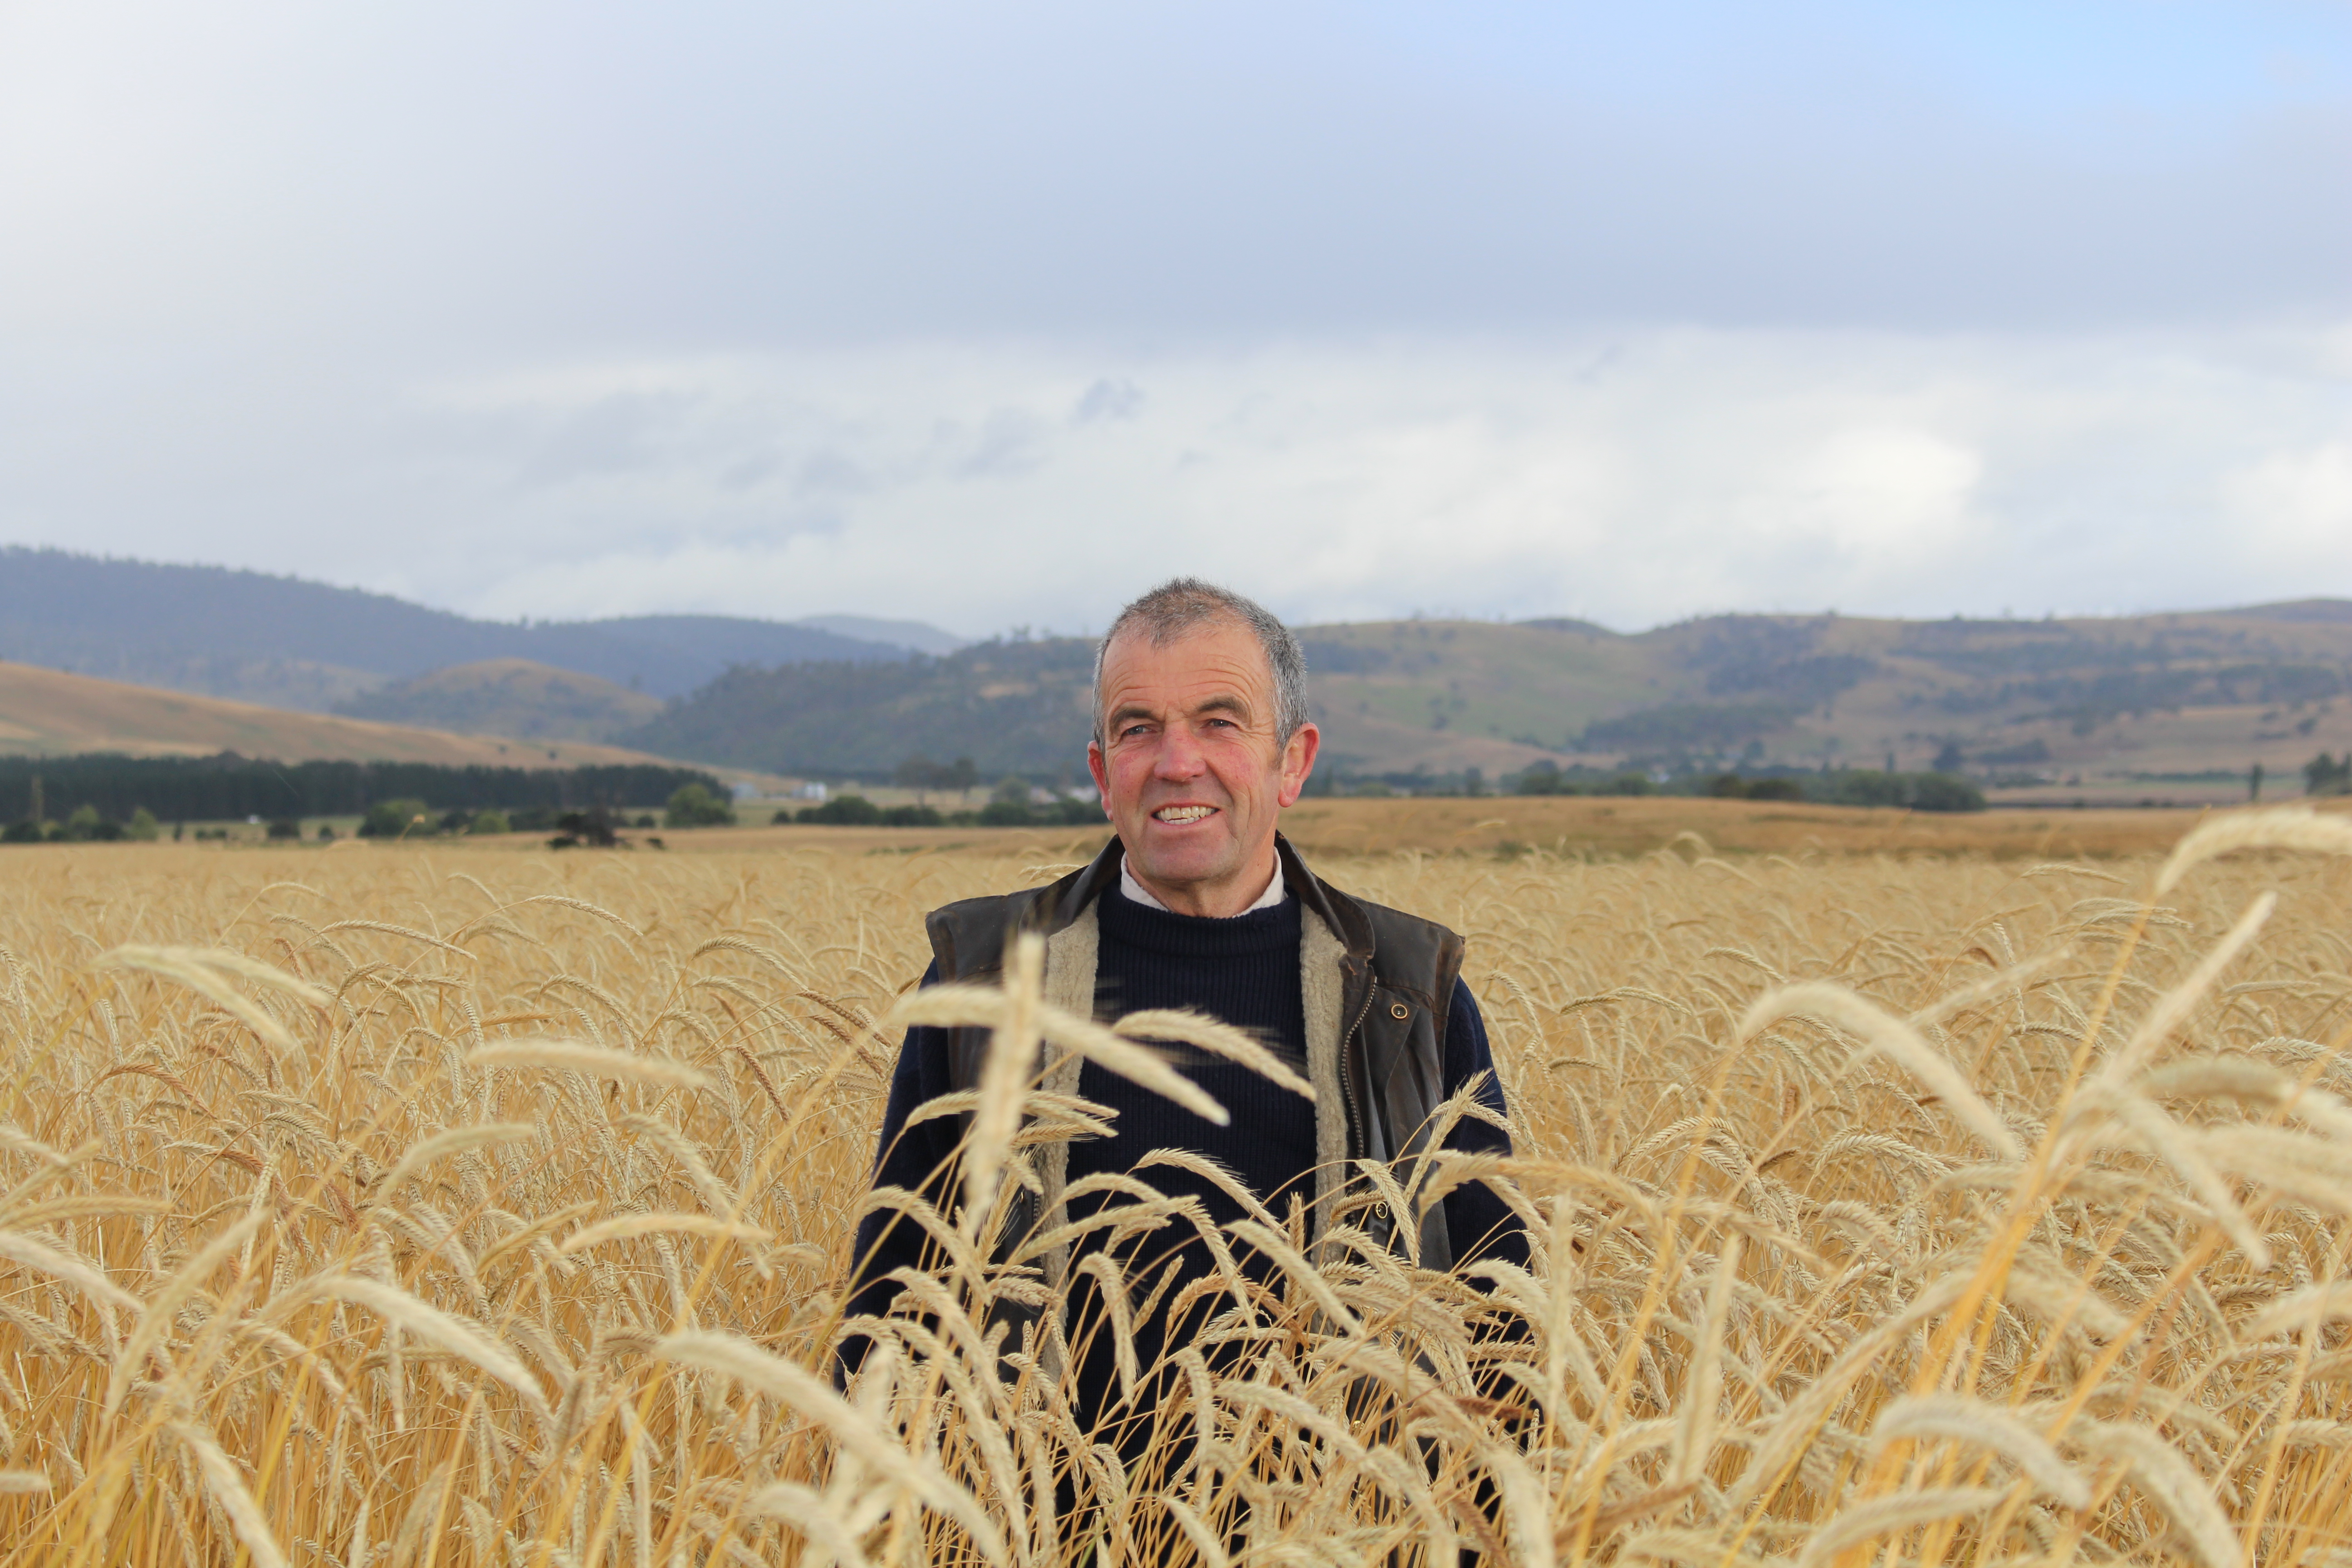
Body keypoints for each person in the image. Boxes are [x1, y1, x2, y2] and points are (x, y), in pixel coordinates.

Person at [840, 578, 1528, 1460]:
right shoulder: (985, 978)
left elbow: (1503, 1316)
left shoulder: (1408, 995)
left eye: (1219, 721)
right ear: (1100, 773)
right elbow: (892, 1296)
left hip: (1342, 1534)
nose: (1175, 762)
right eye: (1138, 729)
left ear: (1294, 762)